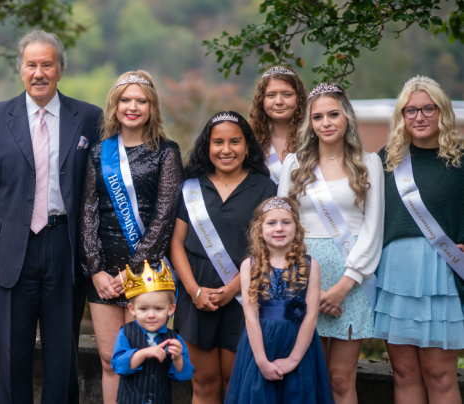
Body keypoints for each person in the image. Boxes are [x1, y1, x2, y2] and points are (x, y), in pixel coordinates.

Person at [0, 29, 103, 403]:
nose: (39, 72)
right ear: (21, 70)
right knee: (12, 356)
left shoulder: (89, 118)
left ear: (60, 70)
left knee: (63, 356)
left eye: (47, 64)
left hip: (65, 247)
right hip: (9, 250)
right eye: (31, 65)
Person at [79, 70, 183, 404]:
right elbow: (88, 212)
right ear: (115, 105)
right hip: (104, 274)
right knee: (112, 361)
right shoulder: (99, 153)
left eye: (141, 100)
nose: (133, 107)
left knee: (145, 358)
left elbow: (165, 214)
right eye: (126, 100)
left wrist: (133, 269)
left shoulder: (166, 152)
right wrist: (95, 270)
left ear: (152, 106)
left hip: (147, 271)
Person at [277, 83, 383, 403]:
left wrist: (344, 285)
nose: (326, 123)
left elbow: (373, 227)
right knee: (310, 376)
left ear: (346, 117)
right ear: (310, 123)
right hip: (302, 277)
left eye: (333, 114)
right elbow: (282, 224)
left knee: (339, 378)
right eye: (318, 117)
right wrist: (301, 282)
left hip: (350, 282)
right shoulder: (294, 165)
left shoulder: (370, 163)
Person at [170, 111, 276, 404]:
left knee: (236, 382)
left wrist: (233, 289)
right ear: (207, 146)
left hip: (245, 295)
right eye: (218, 142)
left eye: (234, 142)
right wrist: (194, 291)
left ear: (247, 146)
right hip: (197, 294)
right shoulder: (191, 186)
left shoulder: (265, 188)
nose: (226, 150)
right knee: (203, 382)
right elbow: (176, 244)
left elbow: (268, 249)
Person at [373, 75, 464, 404]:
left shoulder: (461, 161)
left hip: (441, 278)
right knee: (405, 375)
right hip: (395, 277)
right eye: (411, 111)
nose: (420, 117)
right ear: (401, 116)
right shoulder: (388, 160)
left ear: (442, 112)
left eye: (428, 108)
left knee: (440, 376)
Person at [224, 196, 334, 403]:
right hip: (260, 346)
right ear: (259, 230)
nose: (279, 228)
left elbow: (310, 318)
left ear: (297, 228)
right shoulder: (249, 266)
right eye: (271, 223)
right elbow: (251, 317)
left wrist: (294, 359)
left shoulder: (311, 266)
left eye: (286, 222)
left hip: (298, 346)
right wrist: (262, 361)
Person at [111, 260, 194, 404]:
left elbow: (183, 375)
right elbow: (119, 365)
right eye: (143, 309)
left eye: (159, 309)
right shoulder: (126, 333)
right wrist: (143, 353)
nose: (151, 315)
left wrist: (178, 358)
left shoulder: (174, 338)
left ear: (171, 309)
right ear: (132, 309)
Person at [248, 66, 307, 184]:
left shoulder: (312, 138)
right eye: (271, 95)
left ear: (299, 98)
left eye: (287, 94)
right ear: (261, 100)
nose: (279, 101)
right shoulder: (251, 140)